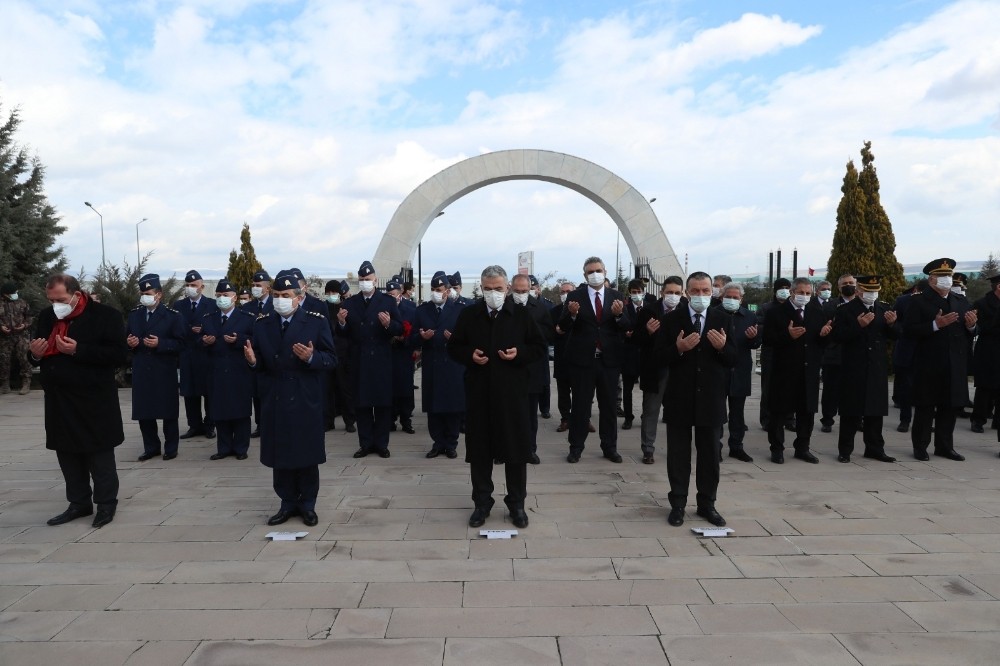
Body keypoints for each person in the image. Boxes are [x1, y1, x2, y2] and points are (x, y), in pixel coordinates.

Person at [448, 264, 546, 529]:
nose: (494, 294)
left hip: (512, 395)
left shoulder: (521, 315)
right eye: (488, 289)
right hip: (479, 394)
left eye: (499, 289)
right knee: (480, 452)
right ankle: (482, 503)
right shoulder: (470, 314)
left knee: (515, 451)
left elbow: (539, 347)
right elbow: (454, 346)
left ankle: (516, 504)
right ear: (481, 288)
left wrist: (519, 355)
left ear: (508, 289)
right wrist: (470, 355)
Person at [28, 274, 128, 528]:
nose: (55, 304)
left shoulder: (106, 316)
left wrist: (78, 350)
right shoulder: (48, 316)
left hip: (94, 400)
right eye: (51, 299)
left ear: (75, 294)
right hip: (60, 400)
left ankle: (106, 504)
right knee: (68, 454)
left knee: (99, 454)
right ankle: (79, 503)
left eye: (60, 299)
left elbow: (119, 355)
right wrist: (36, 356)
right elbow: (38, 351)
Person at [244, 270, 337, 526]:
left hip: (304, 398)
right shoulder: (263, 323)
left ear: (298, 297)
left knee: (305, 454)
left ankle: (308, 504)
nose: (280, 300)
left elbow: (330, 359)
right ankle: (287, 502)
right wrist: (253, 362)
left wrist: (311, 358)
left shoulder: (315, 321)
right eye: (276, 295)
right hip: (275, 398)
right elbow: (262, 362)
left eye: (285, 295)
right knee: (281, 453)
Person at [654, 271, 735, 527]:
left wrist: (723, 347)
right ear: (687, 293)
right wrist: (678, 349)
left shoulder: (722, 318)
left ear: (713, 292)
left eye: (706, 291)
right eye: (696, 291)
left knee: (710, 453)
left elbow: (734, 359)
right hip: (679, 397)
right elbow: (657, 357)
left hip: (711, 398)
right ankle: (678, 503)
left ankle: (707, 504)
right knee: (678, 454)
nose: (701, 296)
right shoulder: (672, 319)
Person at [559, 256, 632, 463]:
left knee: (608, 406)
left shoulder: (616, 295)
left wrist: (619, 315)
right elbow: (563, 326)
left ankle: (609, 447)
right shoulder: (575, 296)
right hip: (583, 361)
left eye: (598, 270)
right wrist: (572, 315)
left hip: (609, 361)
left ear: (605, 272)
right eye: (590, 271)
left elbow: (626, 326)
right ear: (584, 275)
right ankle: (576, 447)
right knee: (581, 406)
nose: (595, 274)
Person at [904, 258, 977, 461]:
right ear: (931, 279)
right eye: (942, 276)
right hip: (929, 363)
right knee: (925, 407)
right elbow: (908, 331)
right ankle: (920, 446)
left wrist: (972, 326)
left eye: (949, 276)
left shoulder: (960, 301)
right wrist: (935, 325)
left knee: (949, 406)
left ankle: (944, 446)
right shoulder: (917, 301)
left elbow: (970, 330)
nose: (947, 279)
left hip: (955, 363)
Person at [336, 260, 403, 458]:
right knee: (362, 404)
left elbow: (399, 328)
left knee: (382, 404)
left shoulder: (387, 301)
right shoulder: (349, 303)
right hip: (359, 360)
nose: (365, 282)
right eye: (362, 279)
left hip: (381, 359)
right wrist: (341, 323)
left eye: (368, 279)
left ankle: (381, 444)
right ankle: (365, 443)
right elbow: (343, 334)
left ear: (375, 279)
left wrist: (389, 324)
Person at [763, 277, 833, 463]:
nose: (804, 296)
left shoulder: (817, 312)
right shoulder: (776, 312)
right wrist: (787, 335)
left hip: (809, 370)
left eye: (808, 293)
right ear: (792, 292)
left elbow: (820, 342)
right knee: (779, 411)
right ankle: (777, 448)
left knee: (807, 411)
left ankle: (802, 447)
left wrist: (825, 335)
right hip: (784, 369)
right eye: (801, 292)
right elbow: (768, 339)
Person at [833, 276, 900, 463]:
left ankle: (875, 448)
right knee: (851, 412)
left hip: (876, 367)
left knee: (875, 411)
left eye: (875, 291)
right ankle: (845, 450)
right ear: (859, 291)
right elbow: (838, 336)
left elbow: (896, 335)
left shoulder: (883, 308)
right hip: (854, 367)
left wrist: (893, 324)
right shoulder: (846, 310)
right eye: (868, 291)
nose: (872, 295)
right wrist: (858, 325)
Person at [128, 274, 186, 461]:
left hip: (163, 368)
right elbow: (126, 338)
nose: (145, 296)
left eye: (148, 293)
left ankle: (171, 447)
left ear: (159, 294)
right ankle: (151, 446)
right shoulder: (135, 315)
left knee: (168, 411)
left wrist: (161, 343)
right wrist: (130, 342)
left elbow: (182, 343)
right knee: (144, 411)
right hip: (142, 368)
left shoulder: (172, 316)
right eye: (142, 293)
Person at [411, 271, 467, 458]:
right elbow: (410, 339)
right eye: (433, 289)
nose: (436, 292)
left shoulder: (459, 310)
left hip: (452, 364)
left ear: (447, 291)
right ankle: (437, 443)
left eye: (439, 289)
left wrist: (456, 339)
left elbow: (470, 338)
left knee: (452, 407)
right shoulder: (422, 310)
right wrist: (421, 337)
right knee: (433, 408)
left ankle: (451, 443)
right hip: (432, 364)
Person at [630, 276, 683, 464]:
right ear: (662, 293)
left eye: (677, 293)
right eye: (669, 292)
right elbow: (635, 339)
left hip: (679, 367)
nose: (673, 296)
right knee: (651, 410)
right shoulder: (648, 311)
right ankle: (648, 449)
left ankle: (677, 448)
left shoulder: (685, 310)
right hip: (655, 368)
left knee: (678, 411)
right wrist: (647, 332)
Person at [201, 278, 255, 461]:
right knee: (220, 410)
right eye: (218, 295)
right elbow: (197, 341)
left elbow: (256, 340)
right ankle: (223, 448)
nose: (221, 298)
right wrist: (204, 342)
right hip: (216, 370)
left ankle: (241, 447)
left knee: (240, 411)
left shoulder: (247, 318)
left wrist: (239, 340)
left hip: (238, 371)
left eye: (225, 295)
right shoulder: (209, 318)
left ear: (234, 298)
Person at [508, 273, 555, 464]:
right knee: (507, 414)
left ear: (531, 290)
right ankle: (505, 449)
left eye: (524, 291)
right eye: (517, 291)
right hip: (508, 369)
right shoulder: (503, 306)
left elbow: (547, 336)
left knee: (529, 415)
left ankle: (530, 449)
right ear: (511, 289)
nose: (520, 294)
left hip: (532, 369)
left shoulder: (540, 308)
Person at [717, 282, 761, 462]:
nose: (732, 300)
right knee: (718, 411)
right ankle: (715, 447)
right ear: (722, 297)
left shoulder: (749, 316)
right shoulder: (714, 314)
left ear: (741, 299)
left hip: (740, 368)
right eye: (729, 297)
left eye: (736, 298)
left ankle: (736, 446)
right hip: (719, 368)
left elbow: (755, 343)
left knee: (737, 412)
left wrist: (753, 338)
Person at [175, 269, 218, 440]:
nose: (190, 288)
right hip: (187, 354)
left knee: (208, 392)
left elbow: (216, 326)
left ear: (202, 286)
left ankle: (210, 425)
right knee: (189, 392)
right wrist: (188, 330)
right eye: (187, 285)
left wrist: (204, 331)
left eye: (194, 285)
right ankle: (194, 425)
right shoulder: (179, 305)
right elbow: (175, 327)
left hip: (206, 354)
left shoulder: (212, 304)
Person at [819, 274, 856, 433]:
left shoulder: (862, 304)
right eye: (845, 283)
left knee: (854, 389)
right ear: (839, 287)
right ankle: (827, 419)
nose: (848, 285)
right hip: (834, 353)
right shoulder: (830, 306)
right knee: (831, 390)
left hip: (855, 354)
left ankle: (856, 418)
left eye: (851, 283)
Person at [891, 280, 926, 433]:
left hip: (926, 351)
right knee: (906, 388)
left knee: (925, 390)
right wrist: (904, 331)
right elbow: (895, 323)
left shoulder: (934, 302)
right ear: (915, 289)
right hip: (906, 349)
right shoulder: (903, 301)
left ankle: (924, 420)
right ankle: (905, 420)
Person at [758, 278, 792, 430]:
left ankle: (789, 419)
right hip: (770, 353)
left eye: (787, 287)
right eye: (781, 287)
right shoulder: (766, 308)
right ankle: (767, 419)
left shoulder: (794, 308)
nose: (785, 290)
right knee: (768, 387)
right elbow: (760, 327)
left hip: (790, 352)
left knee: (790, 386)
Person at [323, 279, 356, 433]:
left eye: (334, 292)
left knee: (345, 390)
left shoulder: (346, 308)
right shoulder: (323, 309)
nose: (331, 295)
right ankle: (328, 421)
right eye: (328, 293)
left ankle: (349, 420)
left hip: (343, 355)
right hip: (328, 354)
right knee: (328, 390)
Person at [971, 275, 1000, 435]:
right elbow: (981, 328)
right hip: (988, 352)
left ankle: (997, 421)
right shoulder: (982, 304)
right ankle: (978, 420)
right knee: (985, 389)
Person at [388, 277, 417, 434]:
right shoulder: (383, 308)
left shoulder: (411, 308)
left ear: (400, 294)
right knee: (390, 387)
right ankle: (390, 419)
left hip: (404, 353)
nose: (391, 297)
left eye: (393, 294)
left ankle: (406, 419)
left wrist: (405, 339)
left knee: (406, 387)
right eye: (389, 294)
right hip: (389, 353)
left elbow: (414, 330)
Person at [620, 279, 648, 431]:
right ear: (630, 293)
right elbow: (622, 327)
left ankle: (645, 415)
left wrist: (636, 333)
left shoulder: (649, 308)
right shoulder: (625, 308)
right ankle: (628, 417)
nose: (637, 295)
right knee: (628, 389)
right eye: (634, 292)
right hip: (629, 354)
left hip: (644, 354)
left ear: (644, 292)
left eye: (639, 292)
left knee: (646, 388)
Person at [550, 281, 578, 433]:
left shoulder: (583, 310)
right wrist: (557, 332)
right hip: (562, 357)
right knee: (563, 391)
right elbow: (549, 334)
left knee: (581, 392)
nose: (565, 294)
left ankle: (582, 419)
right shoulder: (554, 311)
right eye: (562, 292)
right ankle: (565, 419)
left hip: (579, 357)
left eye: (568, 291)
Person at [528, 274, 554, 419]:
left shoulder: (547, 304)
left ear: (538, 289)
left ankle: (545, 408)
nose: (531, 290)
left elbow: (550, 327)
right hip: (526, 348)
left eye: (533, 288)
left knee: (544, 381)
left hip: (541, 347)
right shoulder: (521, 303)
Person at [0, 281, 33, 394]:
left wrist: (24, 325)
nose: (15, 294)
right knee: (4, 360)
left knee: (24, 358)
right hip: (5, 338)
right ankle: (5, 384)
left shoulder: (22, 303)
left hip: (21, 336)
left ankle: (26, 383)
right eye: (12, 293)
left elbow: (29, 317)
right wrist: (1, 327)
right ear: (5, 294)